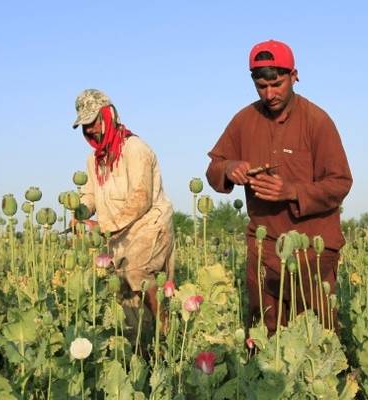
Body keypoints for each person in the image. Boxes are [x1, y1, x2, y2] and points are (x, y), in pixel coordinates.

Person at [205, 40, 352, 335]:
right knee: (265, 337)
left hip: (312, 251)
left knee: (316, 339)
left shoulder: (317, 122)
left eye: (277, 84)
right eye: (261, 86)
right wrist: (229, 168)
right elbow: (213, 168)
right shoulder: (244, 120)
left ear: (294, 75)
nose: (269, 94)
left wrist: (292, 192)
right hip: (265, 249)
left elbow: (340, 182)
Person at [72, 89, 175, 339]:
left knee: (135, 274)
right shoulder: (94, 160)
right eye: (84, 126)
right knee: (122, 291)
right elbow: (90, 195)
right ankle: (140, 342)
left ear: (108, 116)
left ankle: (165, 328)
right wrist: (80, 211)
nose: (90, 130)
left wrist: (102, 226)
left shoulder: (134, 148)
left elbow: (140, 200)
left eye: (93, 122)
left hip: (149, 225)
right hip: (117, 233)